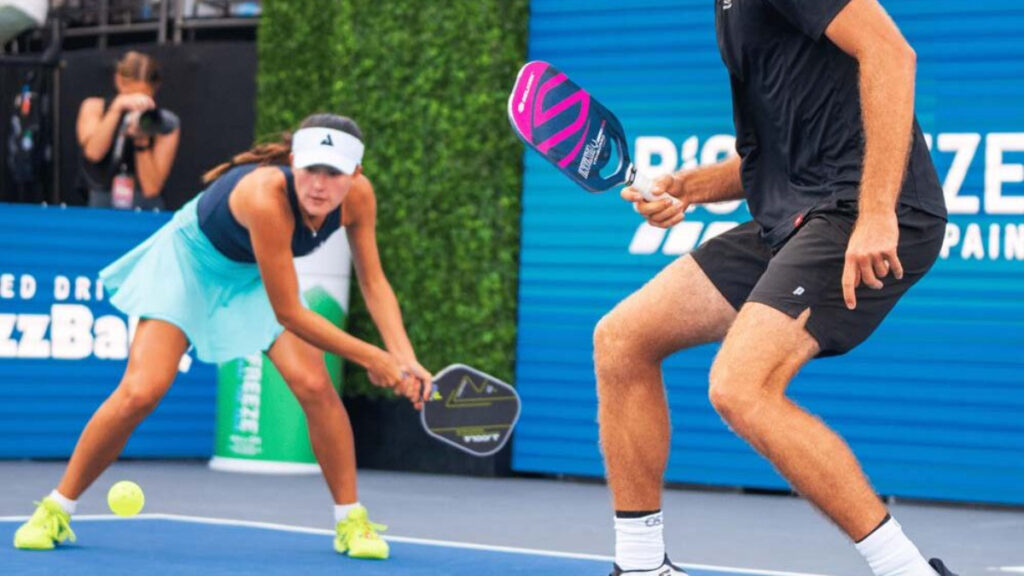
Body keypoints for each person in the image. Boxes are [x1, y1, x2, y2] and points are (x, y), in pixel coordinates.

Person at [597, 0, 957, 575]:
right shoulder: (727, 9)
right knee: (622, 339)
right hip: (791, 218)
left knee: (741, 387)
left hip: (861, 211)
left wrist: (876, 213)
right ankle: (642, 567)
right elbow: (773, 160)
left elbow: (892, 53)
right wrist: (684, 186)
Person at [13, 113, 430, 560]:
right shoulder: (264, 196)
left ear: (356, 175)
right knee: (141, 391)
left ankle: (351, 520)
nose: (319, 186)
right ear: (293, 163)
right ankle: (56, 508)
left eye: (335, 174)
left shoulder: (359, 200)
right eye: (311, 169)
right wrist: (374, 356)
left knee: (313, 385)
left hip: (251, 275)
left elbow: (374, 282)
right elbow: (289, 312)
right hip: (189, 264)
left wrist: (404, 358)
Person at [76, 51, 180, 210]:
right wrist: (116, 109)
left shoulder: (164, 123)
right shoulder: (94, 107)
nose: (136, 103)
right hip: (101, 203)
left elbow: (151, 189)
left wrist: (142, 139)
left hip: (144, 207)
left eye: (143, 96)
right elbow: (93, 153)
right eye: (132, 95)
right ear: (119, 81)